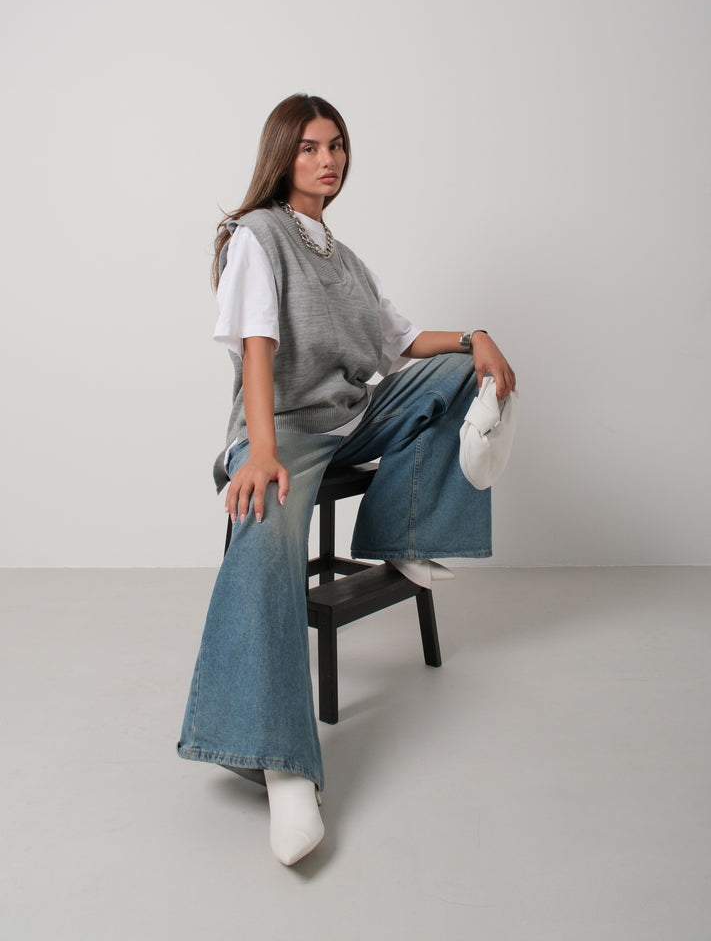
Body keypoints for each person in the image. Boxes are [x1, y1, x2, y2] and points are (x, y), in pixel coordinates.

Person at [178, 94, 516, 866]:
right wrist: (261, 453)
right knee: (266, 534)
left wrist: (476, 337)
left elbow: (401, 342)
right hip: (283, 432)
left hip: (351, 416)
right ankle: (280, 762)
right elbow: (258, 348)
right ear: (281, 155)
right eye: (308, 147)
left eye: (335, 145)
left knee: (457, 375)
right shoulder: (257, 235)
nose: (326, 159)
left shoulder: (346, 257)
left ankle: (408, 533)